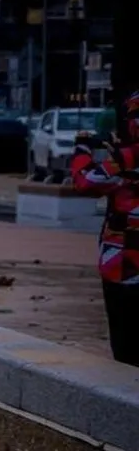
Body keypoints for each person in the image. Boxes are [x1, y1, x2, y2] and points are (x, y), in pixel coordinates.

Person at [69, 89, 139, 365]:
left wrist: (82, 150)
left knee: (125, 347)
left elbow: (85, 182)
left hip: (123, 261)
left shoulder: (127, 158)